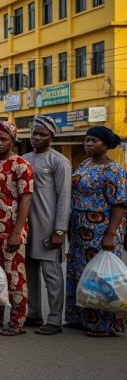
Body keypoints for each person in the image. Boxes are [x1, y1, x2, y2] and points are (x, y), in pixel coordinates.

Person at [65, 126, 127, 337]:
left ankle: (103, 324)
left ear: (106, 145)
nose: (88, 144)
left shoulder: (114, 170)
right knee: (80, 272)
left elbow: (119, 204)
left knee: (101, 277)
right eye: (87, 140)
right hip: (80, 229)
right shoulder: (84, 164)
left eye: (93, 140)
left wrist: (110, 234)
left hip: (101, 229)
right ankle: (80, 317)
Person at [0, 121, 34, 336]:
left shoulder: (21, 165)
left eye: (4, 139)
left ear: (13, 141)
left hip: (12, 230)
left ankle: (17, 321)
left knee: (15, 277)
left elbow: (26, 200)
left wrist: (16, 232)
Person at [22, 116, 71, 335]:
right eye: (34, 133)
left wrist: (59, 230)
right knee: (30, 274)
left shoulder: (58, 161)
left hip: (49, 228)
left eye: (43, 134)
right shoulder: (23, 160)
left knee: (52, 275)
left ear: (52, 136)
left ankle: (54, 320)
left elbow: (64, 198)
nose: (37, 138)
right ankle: (33, 314)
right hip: (26, 228)